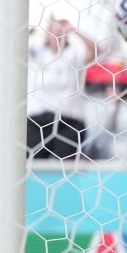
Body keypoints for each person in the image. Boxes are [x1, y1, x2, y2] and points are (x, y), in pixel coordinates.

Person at [27, 16, 96, 160]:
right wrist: (25, 32)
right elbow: (11, 49)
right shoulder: (37, 52)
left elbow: (95, 50)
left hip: (69, 120)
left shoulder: (75, 54)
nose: (57, 35)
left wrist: (75, 30)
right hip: (38, 120)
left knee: (64, 168)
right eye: (54, 31)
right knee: (30, 165)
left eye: (61, 31)